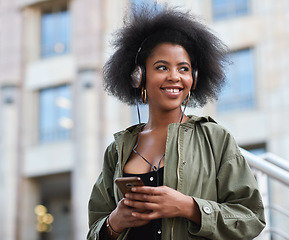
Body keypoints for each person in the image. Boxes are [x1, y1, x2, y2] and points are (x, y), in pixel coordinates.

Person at [87, 4, 265, 240]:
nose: (175, 77)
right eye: (162, 67)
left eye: (184, 69)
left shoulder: (215, 139)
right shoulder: (116, 150)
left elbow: (252, 218)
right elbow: (94, 231)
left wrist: (189, 207)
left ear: (194, 77)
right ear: (138, 76)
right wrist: (115, 222)